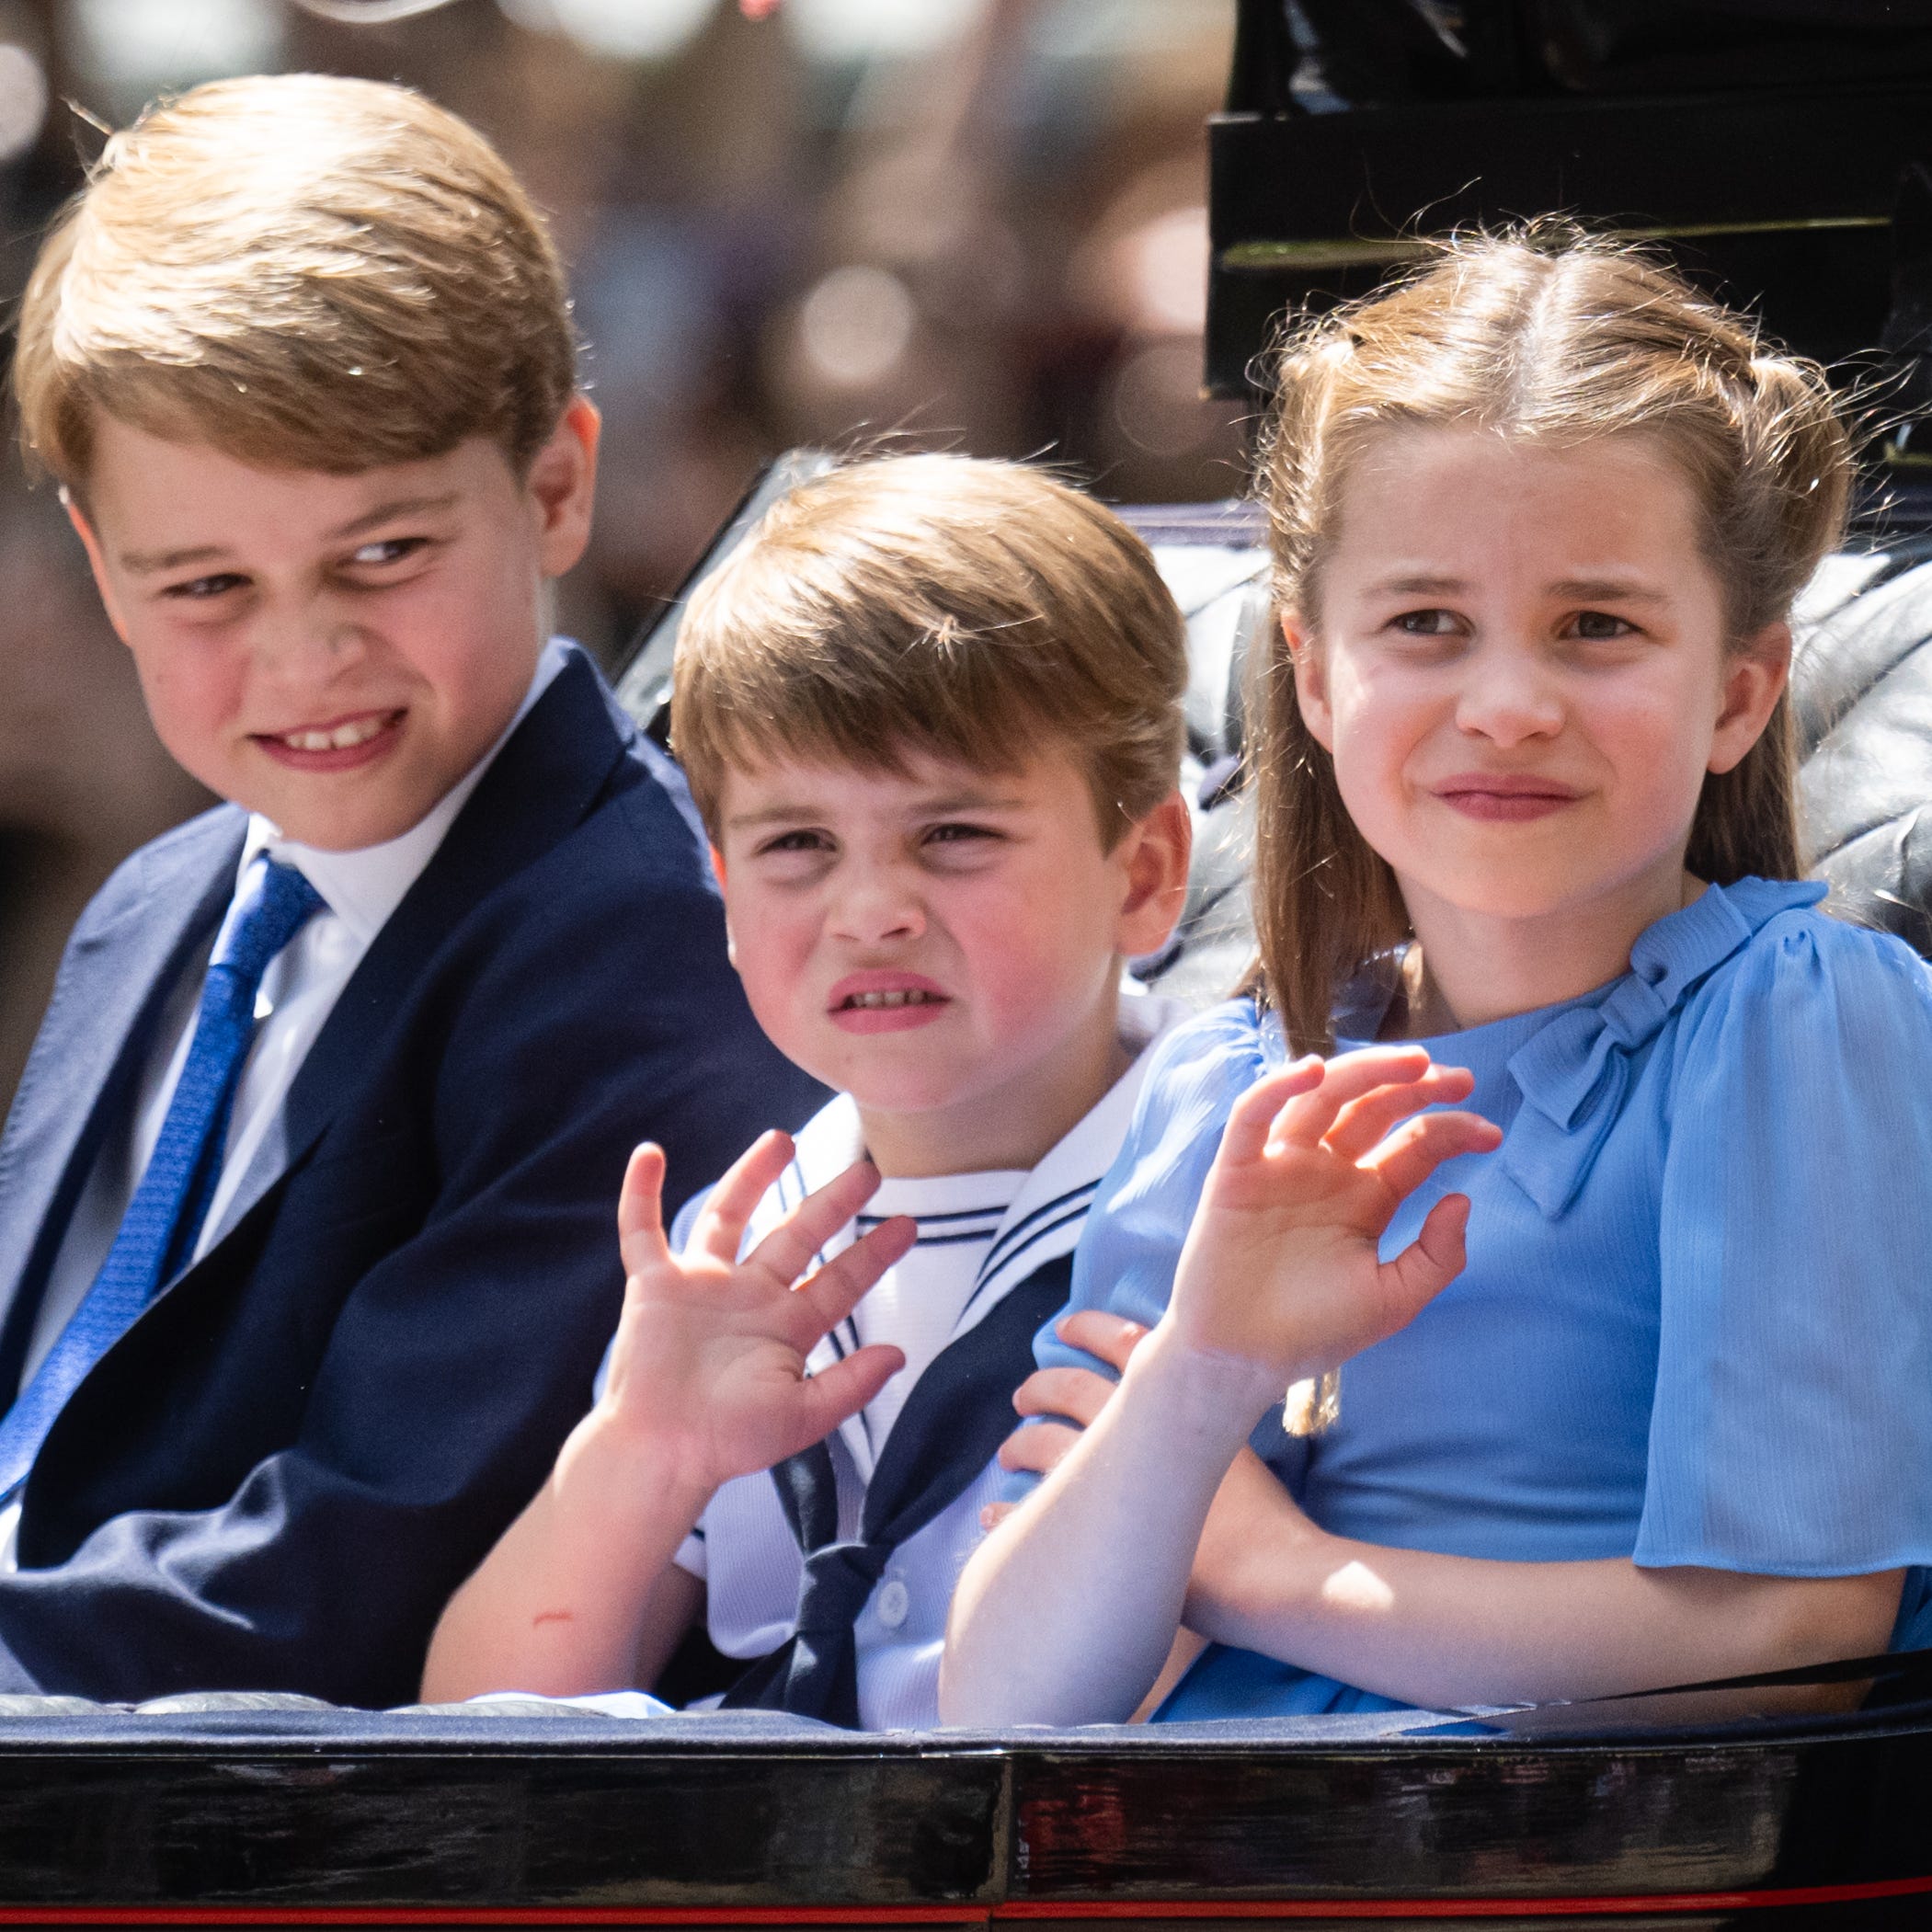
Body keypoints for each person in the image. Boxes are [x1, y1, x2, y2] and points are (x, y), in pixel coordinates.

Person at [940, 229, 1932, 1728]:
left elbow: (1784, 1633)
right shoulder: (1227, 1088)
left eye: (1595, 626)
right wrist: (1201, 1370)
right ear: (1317, 676)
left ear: (1740, 691)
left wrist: (1278, 1575)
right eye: (1425, 625)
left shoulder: (1791, 1022)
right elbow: (1005, 1700)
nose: (1509, 705)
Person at [0, 74, 821, 1708]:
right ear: (103, 566)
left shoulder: (665, 939)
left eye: (381, 556)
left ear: (555, 487)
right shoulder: (162, 904)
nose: (304, 658)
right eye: (209, 585)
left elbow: (368, 1559)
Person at [421, 454, 1195, 1728]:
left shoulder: (1242, 1189)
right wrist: (644, 1456)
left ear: (1145, 868)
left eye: (954, 833)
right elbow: (473, 1727)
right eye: (797, 845)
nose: (871, 911)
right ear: (722, 894)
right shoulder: (740, 1250)